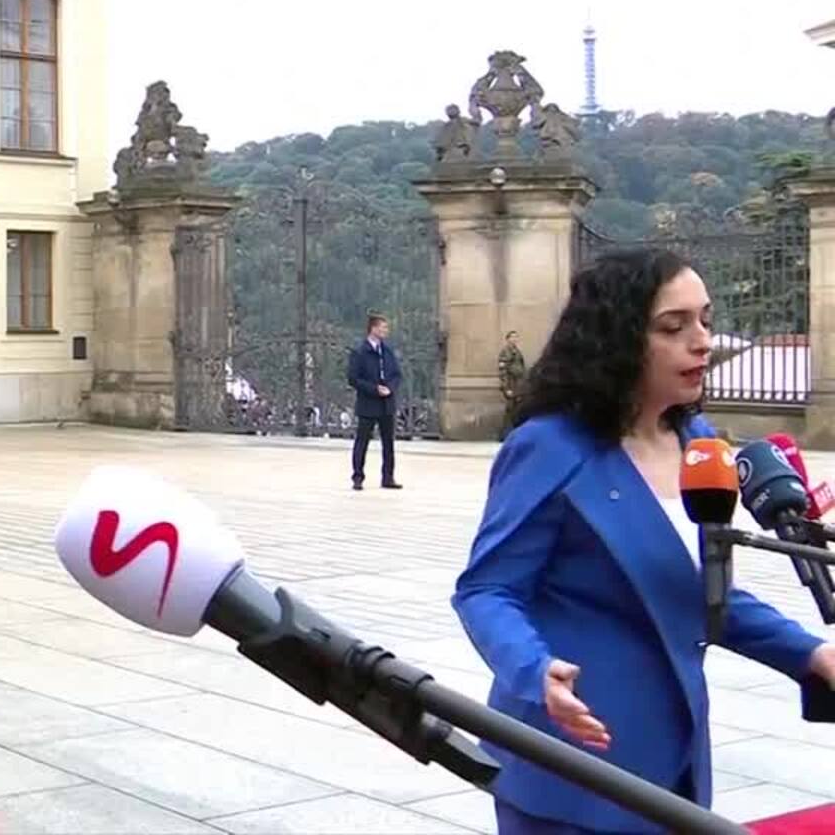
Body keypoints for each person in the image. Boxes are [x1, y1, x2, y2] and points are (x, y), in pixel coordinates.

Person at [453, 249, 835, 834]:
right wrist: (533, 670)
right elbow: (486, 589)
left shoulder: (699, 442)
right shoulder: (549, 446)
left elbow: (696, 589)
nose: (702, 342)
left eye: (705, 320)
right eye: (673, 327)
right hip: (572, 763)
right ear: (617, 338)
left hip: (676, 757)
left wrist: (811, 654)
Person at [347, 312, 403, 490]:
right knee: (362, 441)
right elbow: (353, 378)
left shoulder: (387, 351)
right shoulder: (360, 352)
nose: (386, 331)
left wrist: (390, 388)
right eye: (383, 327)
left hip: (387, 403)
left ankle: (388, 477)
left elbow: (396, 374)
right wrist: (374, 389)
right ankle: (358, 476)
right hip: (368, 403)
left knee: (388, 442)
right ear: (373, 329)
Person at [498, 330, 526, 440]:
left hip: (518, 384)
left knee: (516, 410)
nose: (514, 339)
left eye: (516, 337)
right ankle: (505, 435)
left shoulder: (517, 351)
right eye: (512, 337)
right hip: (511, 384)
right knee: (510, 410)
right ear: (507, 339)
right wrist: (506, 388)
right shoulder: (505, 352)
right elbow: (503, 371)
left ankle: (514, 434)